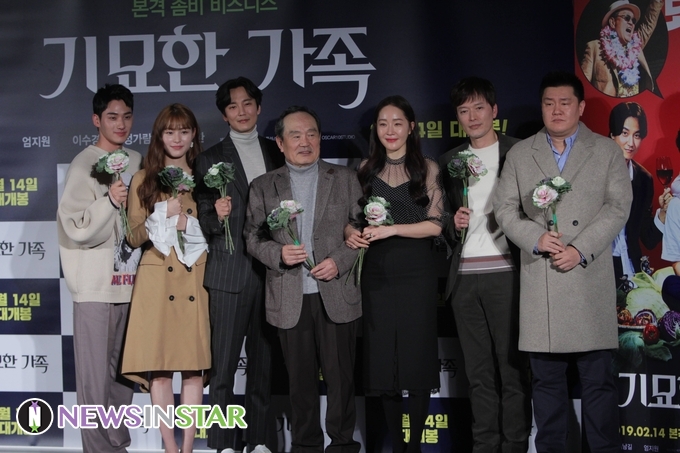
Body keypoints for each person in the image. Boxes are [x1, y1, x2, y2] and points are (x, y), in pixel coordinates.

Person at [493, 71, 632, 453]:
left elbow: (618, 207)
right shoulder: (521, 154)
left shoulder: (605, 151)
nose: (556, 110)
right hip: (542, 282)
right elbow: (504, 210)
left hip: (588, 279)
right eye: (549, 103)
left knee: (599, 386)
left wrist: (580, 249)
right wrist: (534, 239)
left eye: (565, 103)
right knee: (546, 387)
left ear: (581, 107)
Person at [244, 106, 363, 453]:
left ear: (320, 138)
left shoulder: (344, 178)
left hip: (336, 293)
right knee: (300, 385)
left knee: (341, 381)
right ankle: (306, 446)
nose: (305, 141)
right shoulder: (264, 186)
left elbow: (360, 228)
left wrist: (338, 262)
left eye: (311, 134)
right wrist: (278, 254)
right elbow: (252, 237)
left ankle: (342, 445)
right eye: (295, 135)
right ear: (280, 143)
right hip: (289, 297)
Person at [345, 95, 444, 453]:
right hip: (377, 273)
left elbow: (436, 225)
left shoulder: (427, 168)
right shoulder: (363, 169)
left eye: (397, 123)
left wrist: (392, 229)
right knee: (383, 362)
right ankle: (398, 444)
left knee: (416, 359)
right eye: (383, 123)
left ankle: (413, 446)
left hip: (417, 271)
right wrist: (350, 233)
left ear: (411, 127)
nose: (390, 130)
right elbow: (350, 220)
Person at [438, 77, 530, 453]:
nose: (472, 116)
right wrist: (452, 223)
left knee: (511, 370)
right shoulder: (450, 160)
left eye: (479, 108)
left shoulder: (519, 152)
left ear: (494, 110)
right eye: (464, 110)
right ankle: (485, 446)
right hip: (464, 278)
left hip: (507, 274)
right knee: (477, 373)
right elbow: (441, 221)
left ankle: (515, 445)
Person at [194, 76, 284, 453]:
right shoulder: (209, 158)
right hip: (229, 273)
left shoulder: (278, 151)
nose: (241, 111)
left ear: (258, 108)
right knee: (223, 369)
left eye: (248, 103)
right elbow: (201, 218)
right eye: (233, 106)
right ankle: (221, 444)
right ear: (224, 114)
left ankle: (258, 440)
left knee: (264, 365)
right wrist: (216, 215)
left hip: (271, 272)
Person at [57, 83, 142, 453]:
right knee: (93, 381)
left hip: (133, 284)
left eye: (126, 116)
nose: (120, 124)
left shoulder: (137, 160)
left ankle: (117, 445)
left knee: (124, 376)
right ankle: (97, 449)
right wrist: (109, 201)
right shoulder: (84, 163)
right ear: (97, 120)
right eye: (112, 117)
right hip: (94, 287)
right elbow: (74, 225)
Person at [121, 104, 209, 453]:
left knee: (193, 368)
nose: (177, 138)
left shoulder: (206, 177)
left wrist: (190, 222)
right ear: (159, 136)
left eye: (184, 131)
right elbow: (133, 236)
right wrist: (162, 213)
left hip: (194, 278)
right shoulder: (143, 179)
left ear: (193, 135)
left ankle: (188, 447)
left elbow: (220, 233)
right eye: (170, 132)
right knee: (159, 369)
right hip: (157, 279)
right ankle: (170, 447)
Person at [609, 102, 663, 286]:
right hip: (599, 267)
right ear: (612, 134)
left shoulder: (644, 179)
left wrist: (664, 215)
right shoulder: (593, 173)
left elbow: (648, 240)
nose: (631, 143)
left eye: (637, 135)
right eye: (625, 133)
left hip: (632, 267)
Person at [580, 0, 664, 97]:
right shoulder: (594, 47)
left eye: (633, 20)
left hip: (634, 104)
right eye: (627, 18)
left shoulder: (635, 46)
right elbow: (583, 87)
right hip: (607, 105)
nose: (631, 23)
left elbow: (649, 23)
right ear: (612, 22)